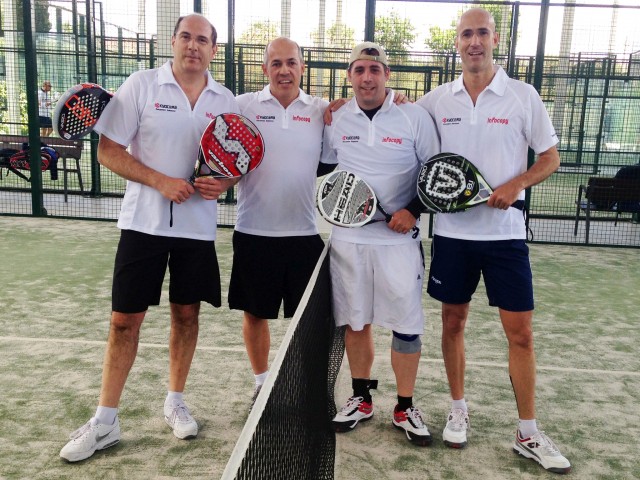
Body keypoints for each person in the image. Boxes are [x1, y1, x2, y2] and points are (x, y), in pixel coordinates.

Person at [59, 13, 238, 463]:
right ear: (173, 42)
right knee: (124, 322)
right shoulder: (141, 85)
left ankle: (175, 401)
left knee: (186, 316)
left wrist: (224, 183)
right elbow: (108, 151)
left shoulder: (225, 98)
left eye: (202, 40)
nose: (192, 46)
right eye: (185, 37)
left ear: (214, 50)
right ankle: (106, 420)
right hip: (142, 226)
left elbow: (232, 161)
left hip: (197, 231)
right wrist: (160, 182)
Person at [415, 8, 571, 473]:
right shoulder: (436, 101)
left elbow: (551, 157)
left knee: (520, 334)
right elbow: (403, 126)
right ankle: (458, 407)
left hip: (505, 239)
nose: (474, 41)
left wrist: (516, 184)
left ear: (495, 39)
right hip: (453, 237)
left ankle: (527, 431)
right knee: (452, 323)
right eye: (467, 34)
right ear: (457, 42)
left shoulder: (522, 96)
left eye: (482, 32)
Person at [322, 42, 440, 446]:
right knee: (357, 320)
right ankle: (361, 397)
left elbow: (435, 173)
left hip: (399, 242)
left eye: (374, 69)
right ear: (350, 76)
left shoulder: (413, 116)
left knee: (406, 326)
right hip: (349, 240)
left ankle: (405, 406)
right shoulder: (335, 118)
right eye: (358, 70)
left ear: (387, 75)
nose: (367, 77)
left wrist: (412, 210)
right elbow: (324, 166)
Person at [228, 37, 332, 405]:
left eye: (291, 62)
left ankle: (307, 386)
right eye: (276, 63)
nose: (284, 70)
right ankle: (262, 382)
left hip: (304, 234)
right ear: (264, 69)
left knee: (308, 321)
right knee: (255, 314)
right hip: (254, 231)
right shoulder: (242, 106)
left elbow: (334, 157)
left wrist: (397, 98)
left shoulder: (321, 111)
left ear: (303, 67)